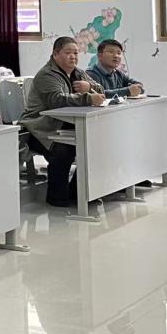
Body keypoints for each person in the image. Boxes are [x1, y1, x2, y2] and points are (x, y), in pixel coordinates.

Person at [20, 36, 105, 207]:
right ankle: (56, 197)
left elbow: (101, 90)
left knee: (93, 145)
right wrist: (88, 98)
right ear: (55, 54)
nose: (73, 57)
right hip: (38, 128)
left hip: (64, 125)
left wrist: (89, 88)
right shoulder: (46, 75)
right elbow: (56, 100)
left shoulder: (78, 72)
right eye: (68, 53)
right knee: (64, 149)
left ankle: (78, 193)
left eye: (76, 53)